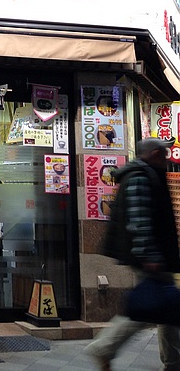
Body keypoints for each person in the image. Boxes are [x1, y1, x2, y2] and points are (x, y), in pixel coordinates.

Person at [84, 138, 180, 371]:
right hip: (151, 256)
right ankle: (104, 347)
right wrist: (149, 254)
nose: (167, 159)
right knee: (146, 310)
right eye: (164, 155)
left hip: (156, 254)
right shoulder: (140, 177)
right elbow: (138, 220)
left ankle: (173, 362)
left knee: (165, 309)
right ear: (155, 154)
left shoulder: (144, 174)